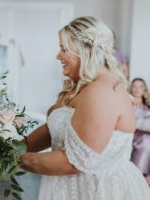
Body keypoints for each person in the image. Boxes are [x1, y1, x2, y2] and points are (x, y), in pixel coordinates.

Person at [19, 16, 150, 199]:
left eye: (64, 49)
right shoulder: (83, 84)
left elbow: (73, 163)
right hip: (66, 186)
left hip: (98, 191)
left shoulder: (102, 92)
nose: (58, 56)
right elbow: (55, 130)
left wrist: (11, 159)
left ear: (85, 51)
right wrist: (12, 148)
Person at [129, 78, 150, 185]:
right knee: (146, 143)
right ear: (131, 88)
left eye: (140, 86)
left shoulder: (148, 105)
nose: (137, 89)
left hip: (147, 134)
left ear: (144, 89)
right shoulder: (129, 103)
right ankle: (140, 174)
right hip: (134, 135)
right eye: (134, 86)